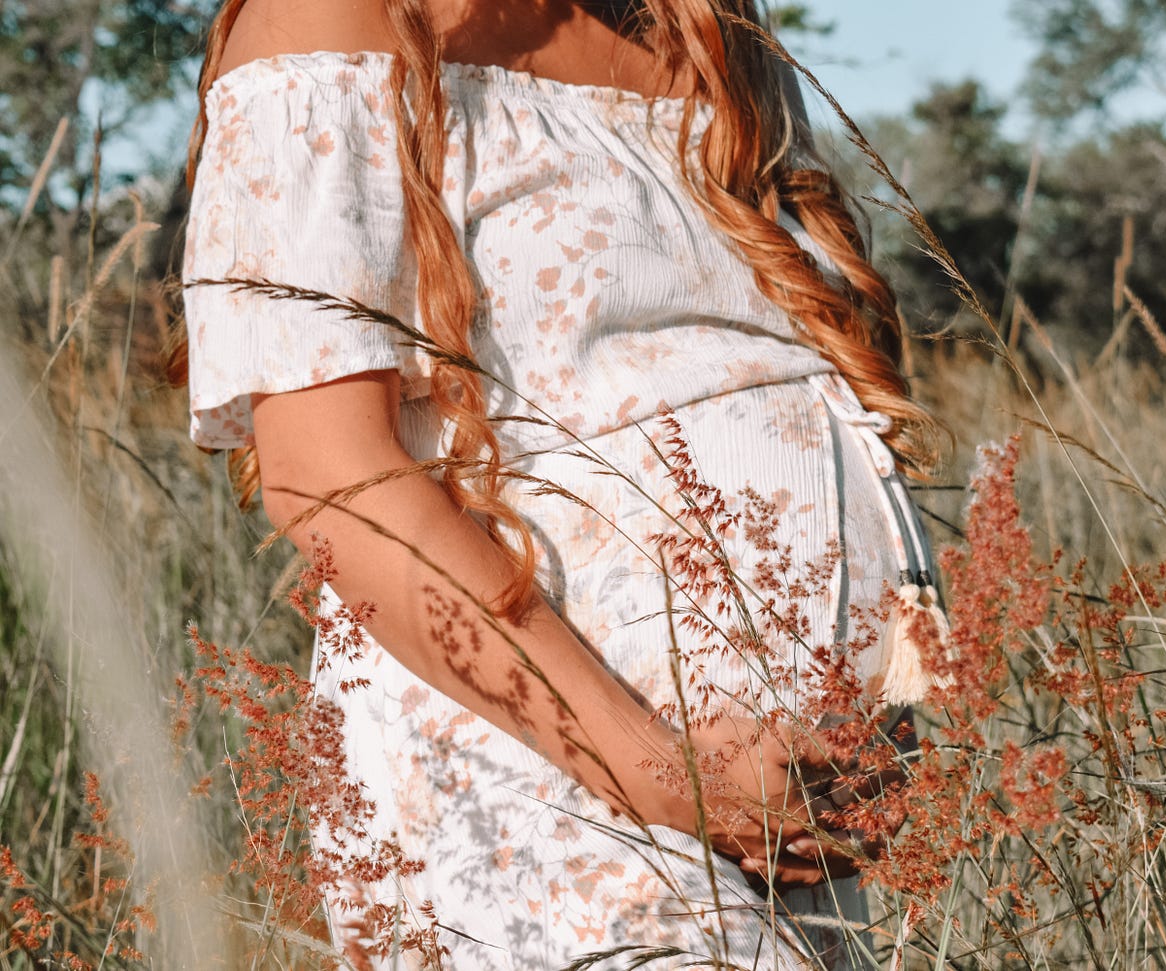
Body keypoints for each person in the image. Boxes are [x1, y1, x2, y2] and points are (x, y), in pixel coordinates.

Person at [179, 0, 943, 966]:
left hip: (788, 811)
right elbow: (329, 474)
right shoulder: (327, 24)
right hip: (550, 787)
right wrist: (659, 768)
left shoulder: (698, 37)